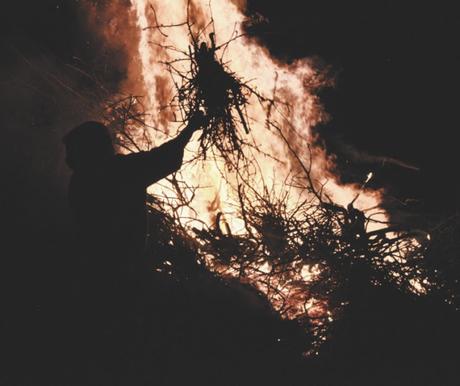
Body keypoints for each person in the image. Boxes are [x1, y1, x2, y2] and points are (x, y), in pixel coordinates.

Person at [62, 112, 205, 383]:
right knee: (127, 340)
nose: (68, 158)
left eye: (72, 151)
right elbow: (163, 156)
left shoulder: (81, 180)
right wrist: (191, 129)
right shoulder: (117, 171)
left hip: (94, 273)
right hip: (121, 270)